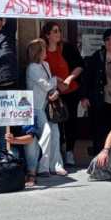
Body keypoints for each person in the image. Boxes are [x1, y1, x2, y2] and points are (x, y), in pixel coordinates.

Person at [41, 22, 84, 167]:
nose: (58, 33)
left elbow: (79, 66)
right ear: (47, 35)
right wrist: (56, 86)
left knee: (71, 121)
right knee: (56, 122)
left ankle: (70, 152)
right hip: (52, 91)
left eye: (59, 31)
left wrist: (68, 79)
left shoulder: (67, 47)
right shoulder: (42, 50)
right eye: (54, 31)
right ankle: (58, 153)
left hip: (70, 89)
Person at [81, 29, 111, 155]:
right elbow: (87, 77)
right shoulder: (98, 56)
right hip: (103, 100)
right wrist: (84, 97)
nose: (110, 41)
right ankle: (99, 161)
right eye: (107, 39)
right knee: (101, 131)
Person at [26, 38, 66, 177]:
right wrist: (56, 80)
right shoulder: (32, 68)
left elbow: (50, 86)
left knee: (55, 134)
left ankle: (55, 165)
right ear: (38, 51)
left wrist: (54, 90)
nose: (46, 51)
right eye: (43, 48)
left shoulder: (46, 65)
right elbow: (46, 84)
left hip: (46, 106)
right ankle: (42, 167)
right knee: (46, 133)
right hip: (36, 108)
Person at [0, 123, 41, 188]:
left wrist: (14, 140)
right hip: (9, 150)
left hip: (23, 149)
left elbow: (30, 138)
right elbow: (1, 149)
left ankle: (31, 174)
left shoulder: (27, 115)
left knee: (33, 141)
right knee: (11, 156)